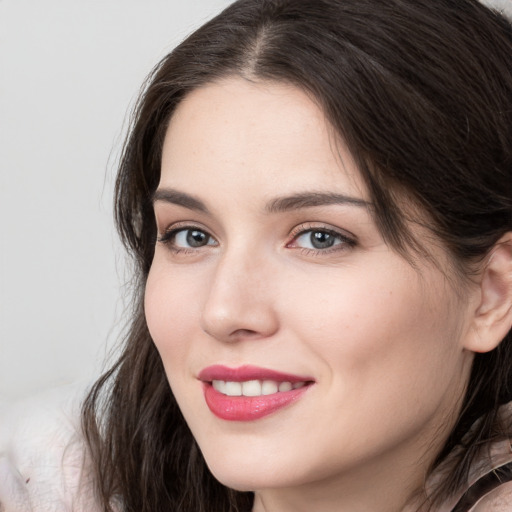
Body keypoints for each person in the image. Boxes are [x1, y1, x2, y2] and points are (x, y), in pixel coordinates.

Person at [1, 0, 511, 511]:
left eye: (319, 238)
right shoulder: (43, 481)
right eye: (192, 236)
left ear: (492, 294)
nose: (223, 312)